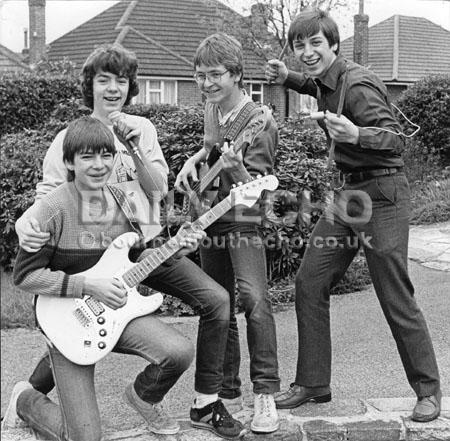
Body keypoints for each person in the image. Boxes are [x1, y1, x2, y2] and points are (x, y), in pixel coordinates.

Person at [5, 43, 245, 440]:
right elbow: (43, 204)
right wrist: (22, 228)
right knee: (80, 320)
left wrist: (133, 148)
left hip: (146, 248)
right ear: (91, 86)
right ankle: (31, 393)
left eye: (121, 80)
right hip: (88, 261)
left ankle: (203, 403)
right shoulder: (68, 139)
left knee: (217, 300)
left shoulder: (143, 130)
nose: (113, 88)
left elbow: (158, 191)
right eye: (104, 80)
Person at [265, 8, 441, 422]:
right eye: (299, 45)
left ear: (334, 45)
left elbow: (397, 142)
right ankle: (313, 383)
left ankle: (428, 391)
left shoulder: (358, 85)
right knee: (310, 281)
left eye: (315, 44)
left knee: (394, 293)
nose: (307, 52)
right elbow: (313, 83)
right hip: (348, 194)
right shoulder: (331, 77)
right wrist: (285, 77)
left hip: (382, 192)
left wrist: (358, 134)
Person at [3, 115, 199, 441]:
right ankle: (25, 400)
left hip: (113, 312)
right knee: (84, 437)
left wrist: (178, 248)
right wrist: (87, 285)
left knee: (177, 352)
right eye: (88, 156)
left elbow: (139, 257)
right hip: (64, 321)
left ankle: (143, 396)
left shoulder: (125, 200)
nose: (98, 165)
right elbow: (24, 277)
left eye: (106, 155)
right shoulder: (51, 209)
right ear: (69, 162)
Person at [175, 33, 281, 434]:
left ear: (236, 75)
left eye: (215, 75)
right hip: (210, 214)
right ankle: (227, 388)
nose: (206, 84)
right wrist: (193, 159)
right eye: (200, 76)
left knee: (254, 298)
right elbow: (210, 146)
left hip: (244, 216)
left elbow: (260, 185)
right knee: (219, 302)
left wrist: (237, 169)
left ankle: (265, 392)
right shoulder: (211, 107)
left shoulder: (260, 121)